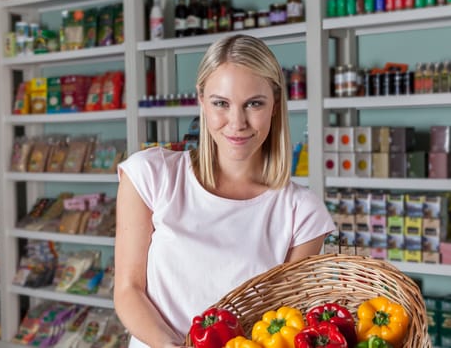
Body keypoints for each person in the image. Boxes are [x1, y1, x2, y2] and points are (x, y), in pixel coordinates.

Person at [114, 34, 335, 347]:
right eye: (221, 103)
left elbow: (281, 320)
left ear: (274, 105)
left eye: (254, 104)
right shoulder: (151, 175)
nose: (237, 122)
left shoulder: (302, 212)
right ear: (201, 100)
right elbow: (127, 290)